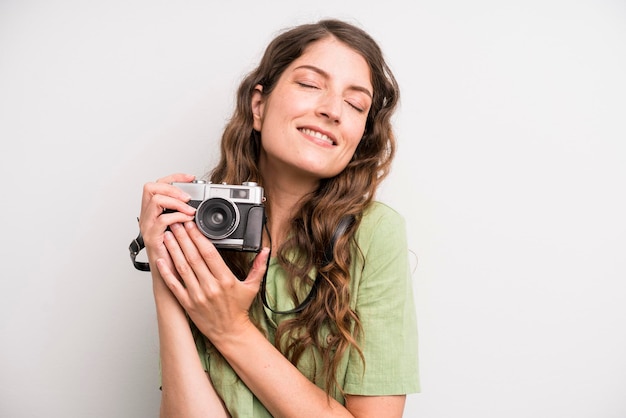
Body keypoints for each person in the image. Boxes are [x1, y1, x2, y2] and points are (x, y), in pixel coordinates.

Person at [137, 18, 419, 418]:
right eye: (309, 84)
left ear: (359, 138)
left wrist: (230, 328)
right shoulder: (203, 222)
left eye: (356, 104)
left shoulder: (374, 233)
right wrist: (163, 263)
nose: (332, 110)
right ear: (259, 105)